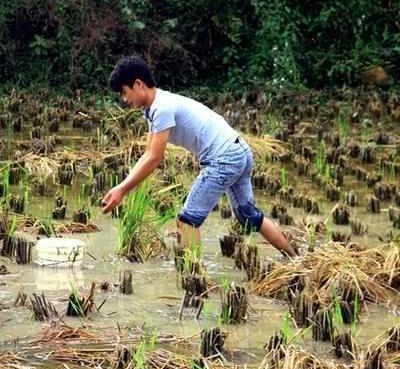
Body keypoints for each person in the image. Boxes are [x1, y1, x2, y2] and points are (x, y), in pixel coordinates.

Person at [101, 56, 296, 258]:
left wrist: (122, 189)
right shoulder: (155, 108)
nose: (124, 99)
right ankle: (295, 260)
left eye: (124, 92)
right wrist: (123, 187)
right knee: (249, 216)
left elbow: (154, 158)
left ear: (138, 84)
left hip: (224, 158)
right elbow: (148, 153)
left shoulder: (162, 108)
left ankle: (192, 277)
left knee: (187, 221)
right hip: (240, 151)